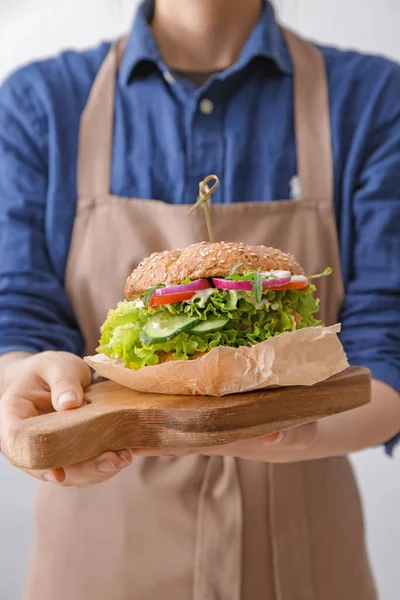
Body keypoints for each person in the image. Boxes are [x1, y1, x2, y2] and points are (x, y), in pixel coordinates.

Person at [0, 0, 399, 598]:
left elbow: (388, 345)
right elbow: (17, 316)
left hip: (304, 558)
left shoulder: (370, 97)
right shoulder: (40, 102)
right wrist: (27, 386)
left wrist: (297, 431)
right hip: (100, 554)